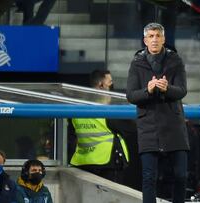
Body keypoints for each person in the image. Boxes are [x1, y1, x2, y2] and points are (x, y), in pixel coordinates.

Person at [126, 22, 189, 203]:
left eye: (158, 36)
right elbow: (131, 95)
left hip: (174, 125)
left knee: (180, 175)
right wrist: (148, 90)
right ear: (145, 40)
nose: (154, 40)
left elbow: (182, 90)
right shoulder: (137, 63)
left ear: (164, 39)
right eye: (151, 36)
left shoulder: (175, 60)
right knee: (148, 177)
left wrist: (167, 88)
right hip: (149, 127)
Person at [70, 69, 130, 183]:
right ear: (101, 85)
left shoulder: (76, 108)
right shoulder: (108, 111)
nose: (112, 86)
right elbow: (130, 127)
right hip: (107, 163)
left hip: (83, 162)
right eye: (110, 82)